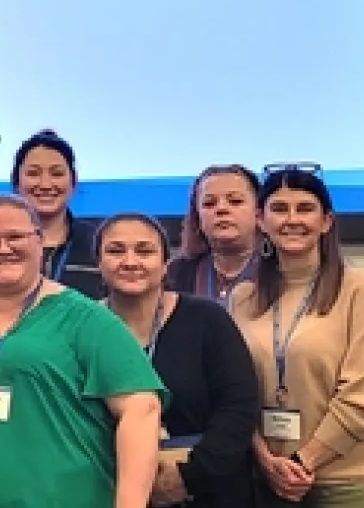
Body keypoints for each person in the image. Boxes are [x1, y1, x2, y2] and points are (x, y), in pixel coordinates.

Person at [0, 194, 164, 508]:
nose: (3, 247)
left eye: (15, 237)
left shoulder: (87, 320)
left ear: (40, 241)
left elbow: (141, 410)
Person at [230, 165, 364, 507]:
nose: (292, 219)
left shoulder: (358, 289)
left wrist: (302, 461)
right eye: (279, 209)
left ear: (326, 221)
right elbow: (233, 393)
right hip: (268, 482)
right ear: (260, 220)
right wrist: (266, 460)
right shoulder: (242, 299)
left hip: (352, 481)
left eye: (305, 208)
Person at [95, 213, 259, 508]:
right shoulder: (81, 327)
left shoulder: (206, 319)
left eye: (145, 251)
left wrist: (188, 477)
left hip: (206, 491)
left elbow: (238, 409)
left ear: (164, 264)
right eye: (116, 250)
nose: (130, 261)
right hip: (109, 489)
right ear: (99, 263)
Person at [11, 130, 105, 296]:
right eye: (33, 173)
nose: (46, 184)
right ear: (16, 183)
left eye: (57, 174)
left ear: (73, 182)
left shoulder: (99, 243)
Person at [166, 165, 262, 303]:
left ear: (259, 213)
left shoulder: (282, 269)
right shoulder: (176, 273)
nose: (221, 209)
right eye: (209, 203)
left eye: (235, 201)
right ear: (197, 217)